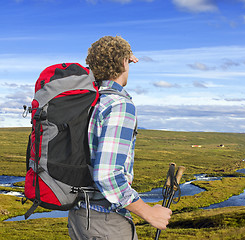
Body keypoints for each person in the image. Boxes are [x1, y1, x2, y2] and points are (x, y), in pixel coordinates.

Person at [67, 36, 172, 240]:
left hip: (79, 216)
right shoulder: (119, 105)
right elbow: (107, 175)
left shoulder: (84, 101)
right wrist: (148, 212)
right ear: (125, 61)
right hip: (106, 221)